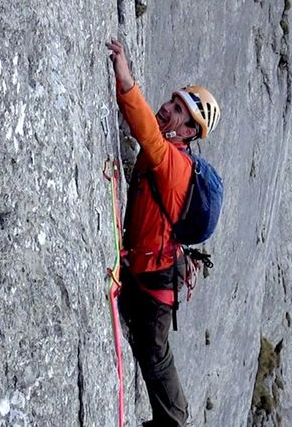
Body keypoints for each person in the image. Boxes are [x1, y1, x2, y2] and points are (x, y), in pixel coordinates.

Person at [105, 38, 221, 427]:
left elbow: (146, 134)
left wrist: (125, 81)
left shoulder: (175, 164)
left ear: (190, 131)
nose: (167, 109)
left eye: (178, 111)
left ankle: (175, 421)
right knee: (148, 350)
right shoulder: (170, 154)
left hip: (152, 284)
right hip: (147, 269)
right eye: (172, 102)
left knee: (154, 355)